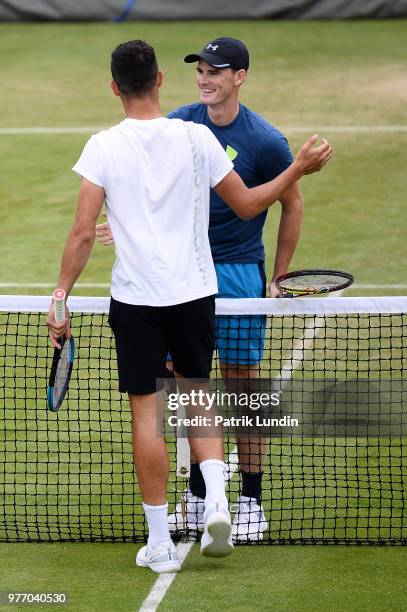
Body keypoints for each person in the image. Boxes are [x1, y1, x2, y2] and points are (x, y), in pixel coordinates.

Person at [47, 39, 331, 573]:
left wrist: (60, 296)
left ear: (114, 88)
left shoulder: (102, 147)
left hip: (136, 301)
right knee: (201, 396)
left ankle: (159, 545)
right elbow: (248, 204)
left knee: (148, 415)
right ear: (159, 81)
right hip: (195, 295)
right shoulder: (196, 137)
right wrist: (298, 169)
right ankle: (220, 502)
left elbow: (84, 233)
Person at [96, 38, 306, 542]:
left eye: (216, 71)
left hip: (235, 272)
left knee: (240, 386)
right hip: (182, 273)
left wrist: (276, 276)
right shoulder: (184, 123)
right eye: (200, 71)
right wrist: (120, 223)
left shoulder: (265, 141)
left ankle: (250, 499)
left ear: (240, 77)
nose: (205, 79)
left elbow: (290, 205)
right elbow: (145, 178)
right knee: (183, 387)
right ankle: (195, 495)